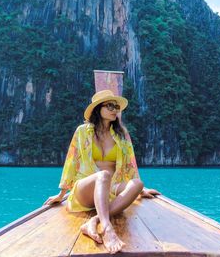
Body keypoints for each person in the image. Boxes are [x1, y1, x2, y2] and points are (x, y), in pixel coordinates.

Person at [44, 89, 160, 254]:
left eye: (116, 107)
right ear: (98, 109)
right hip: (86, 187)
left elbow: (130, 165)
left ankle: (95, 220)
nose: (115, 110)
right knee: (103, 176)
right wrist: (61, 195)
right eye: (110, 106)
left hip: (111, 187)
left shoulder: (121, 135)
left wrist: (142, 190)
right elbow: (72, 161)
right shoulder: (82, 131)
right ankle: (106, 228)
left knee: (137, 184)